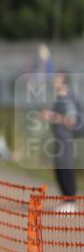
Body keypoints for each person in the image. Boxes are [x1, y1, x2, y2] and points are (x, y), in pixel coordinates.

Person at [40, 71, 82, 211]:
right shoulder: (60, 97)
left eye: (57, 77)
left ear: (64, 80)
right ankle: (66, 200)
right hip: (59, 138)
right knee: (59, 169)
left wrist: (52, 116)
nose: (54, 79)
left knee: (65, 168)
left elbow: (72, 120)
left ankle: (71, 201)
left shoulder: (68, 98)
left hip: (66, 139)